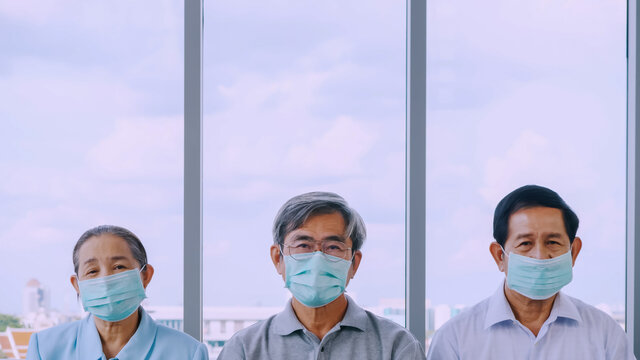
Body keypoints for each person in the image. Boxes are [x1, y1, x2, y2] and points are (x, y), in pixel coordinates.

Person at [427, 185, 635, 360]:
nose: (540, 256)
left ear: (573, 252)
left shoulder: (606, 335)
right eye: (525, 243)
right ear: (500, 256)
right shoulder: (455, 338)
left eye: (552, 242)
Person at [218, 191, 425, 360]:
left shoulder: (396, 346)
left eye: (333, 247)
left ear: (354, 262)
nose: (317, 258)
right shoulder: (244, 349)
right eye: (303, 245)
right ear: (278, 258)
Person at [26, 225, 209, 360]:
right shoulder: (45, 348)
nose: (105, 280)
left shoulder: (188, 353)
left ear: (145, 276)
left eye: (118, 267)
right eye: (92, 271)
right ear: (77, 285)